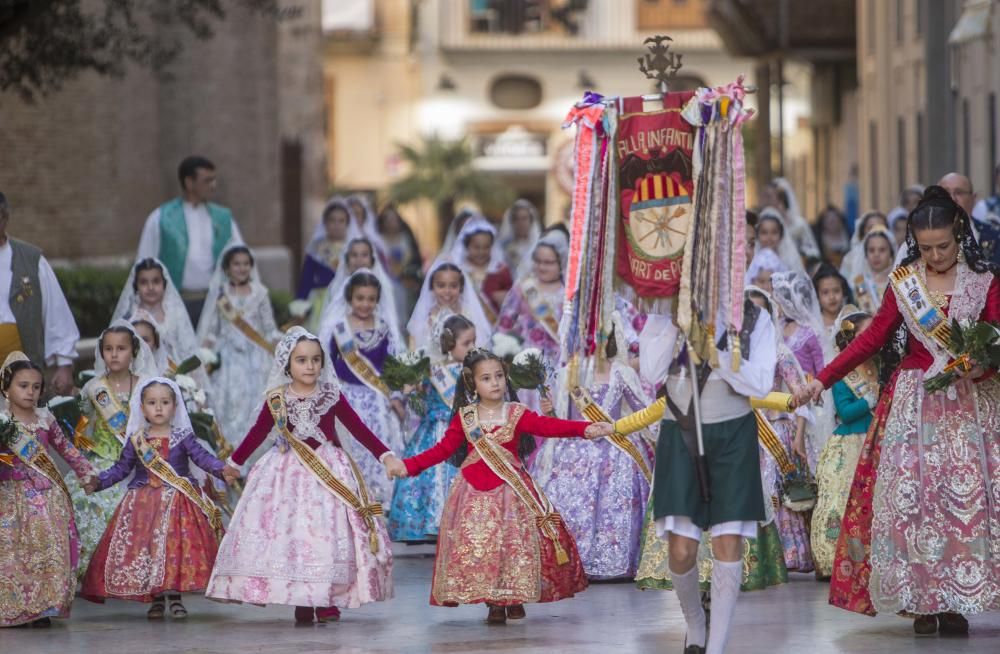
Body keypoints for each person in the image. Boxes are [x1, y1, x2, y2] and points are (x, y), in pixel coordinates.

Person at [798, 186, 1000, 635]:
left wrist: (982, 362)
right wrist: (821, 380)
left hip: (969, 409)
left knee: (961, 504)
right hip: (915, 407)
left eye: (943, 246)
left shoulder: (983, 281)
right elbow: (870, 340)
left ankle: (956, 600)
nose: (935, 256)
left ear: (959, 233)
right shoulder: (905, 282)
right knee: (916, 503)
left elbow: (996, 334)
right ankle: (922, 600)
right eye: (926, 248)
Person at [388, 348, 611, 624]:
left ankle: (515, 596)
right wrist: (408, 466)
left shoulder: (517, 413)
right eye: (486, 378)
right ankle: (495, 602)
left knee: (514, 545)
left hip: (512, 492)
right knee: (486, 548)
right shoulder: (465, 417)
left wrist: (584, 429)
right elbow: (443, 449)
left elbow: (548, 426)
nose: (494, 383)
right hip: (472, 493)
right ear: (473, 383)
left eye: (499, 376)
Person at [643, 210, 778, 654]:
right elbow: (650, 370)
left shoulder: (757, 317)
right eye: (731, 244)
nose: (741, 252)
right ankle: (694, 621)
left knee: (728, 539)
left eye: (748, 244)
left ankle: (715, 645)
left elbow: (759, 382)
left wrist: (717, 357)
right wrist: (679, 321)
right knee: (681, 548)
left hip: (732, 431)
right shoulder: (671, 306)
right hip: (681, 427)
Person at [207, 328, 402, 624]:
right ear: (287, 365)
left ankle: (325, 600)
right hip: (285, 475)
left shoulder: (330, 395)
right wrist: (235, 462)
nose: (310, 366)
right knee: (292, 535)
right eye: (301, 360)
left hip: (329, 474)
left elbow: (359, 428)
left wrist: (386, 455)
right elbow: (257, 433)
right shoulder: (276, 400)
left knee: (326, 534)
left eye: (315, 360)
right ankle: (301, 597)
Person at [79, 377, 238, 618]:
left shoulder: (183, 436)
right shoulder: (136, 439)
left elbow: (202, 457)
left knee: (174, 550)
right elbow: (121, 469)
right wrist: (98, 482)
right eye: (152, 403)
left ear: (175, 406)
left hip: (179, 502)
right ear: (142, 408)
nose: (159, 407)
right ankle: (155, 599)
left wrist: (221, 469)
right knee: (150, 550)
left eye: (165, 402)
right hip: (143, 506)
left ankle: (174, 596)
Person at [531, 314, 654, 580]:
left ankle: (615, 562)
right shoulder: (567, 373)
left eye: (600, 334)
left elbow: (643, 412)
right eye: (588, 334)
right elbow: (558, 420)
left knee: (620, 481)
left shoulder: (622, 373)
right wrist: (549, 409)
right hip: (575, 447)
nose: (594, 340)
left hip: (616, 447)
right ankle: (572, 561)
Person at [0, 353, 96, 628]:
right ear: (6, 387)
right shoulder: (3, 422)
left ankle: (44, 606)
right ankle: (17, 607)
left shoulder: (45, 418)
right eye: (23, 385)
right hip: (9, 494)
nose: (30, 392)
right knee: (13, 552)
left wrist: (86, 472)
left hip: (46, 493)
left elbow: (66, 448)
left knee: (49, 549)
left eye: (36, 386)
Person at [64, 321, 158, 574]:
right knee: (84, 499)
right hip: (103, 459)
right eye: (108, 349)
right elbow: (84, 429)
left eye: (121, 348)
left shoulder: (147, 384)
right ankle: (94, 570)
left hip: (142, 461)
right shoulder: (94, 388)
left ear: (134, 352)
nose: (114, 354)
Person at [318, 269, 406, 507]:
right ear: (350, 298)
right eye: (360, 298)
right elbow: (326, 365)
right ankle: (352, 491)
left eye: (370, 299)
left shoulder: (384, 328)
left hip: (378, 402)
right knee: (351, 445)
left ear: (377, 300)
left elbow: (392, 365)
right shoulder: (339, 329)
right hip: (347, 398)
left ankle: (381, 495)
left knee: (379, 443)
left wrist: (396, 396)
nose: (365, 304)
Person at [387, 313, 473, 542]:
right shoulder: (431, 370)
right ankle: (422, 523)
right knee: (428, 470)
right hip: (434, 429)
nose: (472, 347)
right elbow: (416, 399)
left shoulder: (471, 370)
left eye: (473, 342)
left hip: (460, 430)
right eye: (467, 343)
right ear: (448, 344)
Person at [810, 307, 876, 580]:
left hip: (875, 439)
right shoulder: (843, 373)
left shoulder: (879, 367)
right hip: (850, 443)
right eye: (867, 332)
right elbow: (845, 412)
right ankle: (835, 559)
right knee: (843, 499)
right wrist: (869, 401)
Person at [136, 156, 244, 324]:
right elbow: (144, 261)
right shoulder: (162, 218)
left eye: (214, 180)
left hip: (215, 303)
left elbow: (241, 256)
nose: (213, 186)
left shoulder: (224, 218)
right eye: (207, 181)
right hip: (174, 303)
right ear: (189, 182)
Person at [197, 244, 281, 446]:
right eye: (237, 264)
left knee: (256, 405)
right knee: (230, 404)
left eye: (246, 264)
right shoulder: (221, 294)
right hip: (227, 358)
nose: (242, 268)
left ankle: (256, 453)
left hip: (257, 358)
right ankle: (231, 451)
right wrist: (204, 354)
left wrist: (280, 345)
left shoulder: (260, 293)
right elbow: (213, 330)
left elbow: (269, 328)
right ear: (227, 267)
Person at [0, 192, 80, 396]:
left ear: (5, 218)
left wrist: (64, 365)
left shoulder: (31, 260)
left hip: (26, 375)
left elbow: (56, 311)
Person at [113, 258, 201, 372]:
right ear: (135, 286)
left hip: (175, 373)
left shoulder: (175, 315)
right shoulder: (130, 318)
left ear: (164, 284)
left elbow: (188, 350)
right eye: (144, 282)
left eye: (156, 281)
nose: (150, 287)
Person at [406, 259, 492, 351]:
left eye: (453, 286)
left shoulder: (470, 316)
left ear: (461, 287)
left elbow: (480, 349)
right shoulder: (424, 318)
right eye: (441, 286)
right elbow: (414, 353)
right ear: (432, 287)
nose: (447, 291)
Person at [296, 197, 353, 329]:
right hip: (319, 304)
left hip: (347, 301)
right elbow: (306, 279)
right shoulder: (316, 248)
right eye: (332, 220)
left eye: (341, 221)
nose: (336, 225)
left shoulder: (354, 249)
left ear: (347, 224)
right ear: (325, 223)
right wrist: (300, 306)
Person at [450, 215, 514, 319]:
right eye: (476, 247)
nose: (481, 252)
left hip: (495, 325)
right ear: (466, 246)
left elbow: (513, 299)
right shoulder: (458, 270)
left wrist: (506, 298)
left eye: (486, 247)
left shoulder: (500, 270)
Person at [377, 203, 424, 324]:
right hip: (384, 286)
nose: (391, 222)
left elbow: (415, 260)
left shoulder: (406, 238)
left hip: (406, 286)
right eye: (387, 219)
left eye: (394, 219)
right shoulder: (378, 240)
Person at [764, 178, 821, 261]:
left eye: (770, 197)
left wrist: (802, 255)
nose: (767, 200)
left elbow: (813, 251)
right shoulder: (764, 222)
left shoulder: (799, 224)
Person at [851, 227, 896, 314]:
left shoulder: (898, 281)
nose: (876, 255)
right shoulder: (859, 283)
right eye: (871, 250)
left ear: (891, 253)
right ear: (865, 254)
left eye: (882, 250)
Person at [839, 210, 889, 282]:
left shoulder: (897, 258)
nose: (875, 231)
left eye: (880, 227)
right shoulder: (850, 259)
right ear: (863, 232)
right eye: (871, 228)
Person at [498, 199, 542, 273]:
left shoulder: (539, 245)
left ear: (531, 221)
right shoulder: (503, 247)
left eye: (524, 218)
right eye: (516, 219)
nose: (520, 223)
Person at [756, 208, 805, 274]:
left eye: (774, 232)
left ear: (781, 235)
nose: (769, 237)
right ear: (757, 235)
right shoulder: (752, 261)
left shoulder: (789, 262)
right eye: (764, 232)